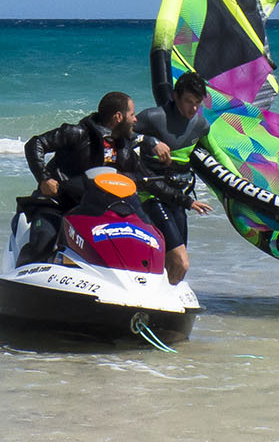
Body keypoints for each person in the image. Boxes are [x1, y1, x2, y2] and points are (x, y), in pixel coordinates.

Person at [19, 91, 188, 270]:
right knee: (42, 246)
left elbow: (145, 179)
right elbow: (35, 144)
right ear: (118, 117)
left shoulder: (123, 148)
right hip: (57, 204)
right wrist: (44, 179)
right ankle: (18, 280)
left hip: (94, 210)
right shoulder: (78, 133)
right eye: (132, 115)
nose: (136, 120)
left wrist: (186, 200)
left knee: (135, 245)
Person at [135, 72, 216, 284]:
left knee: (173, 262)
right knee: (181, 261)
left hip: (177, 198)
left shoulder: (201, 125)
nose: (193, 108)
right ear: (175, 96)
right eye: (188, 101)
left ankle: (161, 303)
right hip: (150, 196)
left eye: (197, 103)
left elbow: (216, 154)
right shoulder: (153, 117)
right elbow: (115, 133)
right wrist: (149, 140)